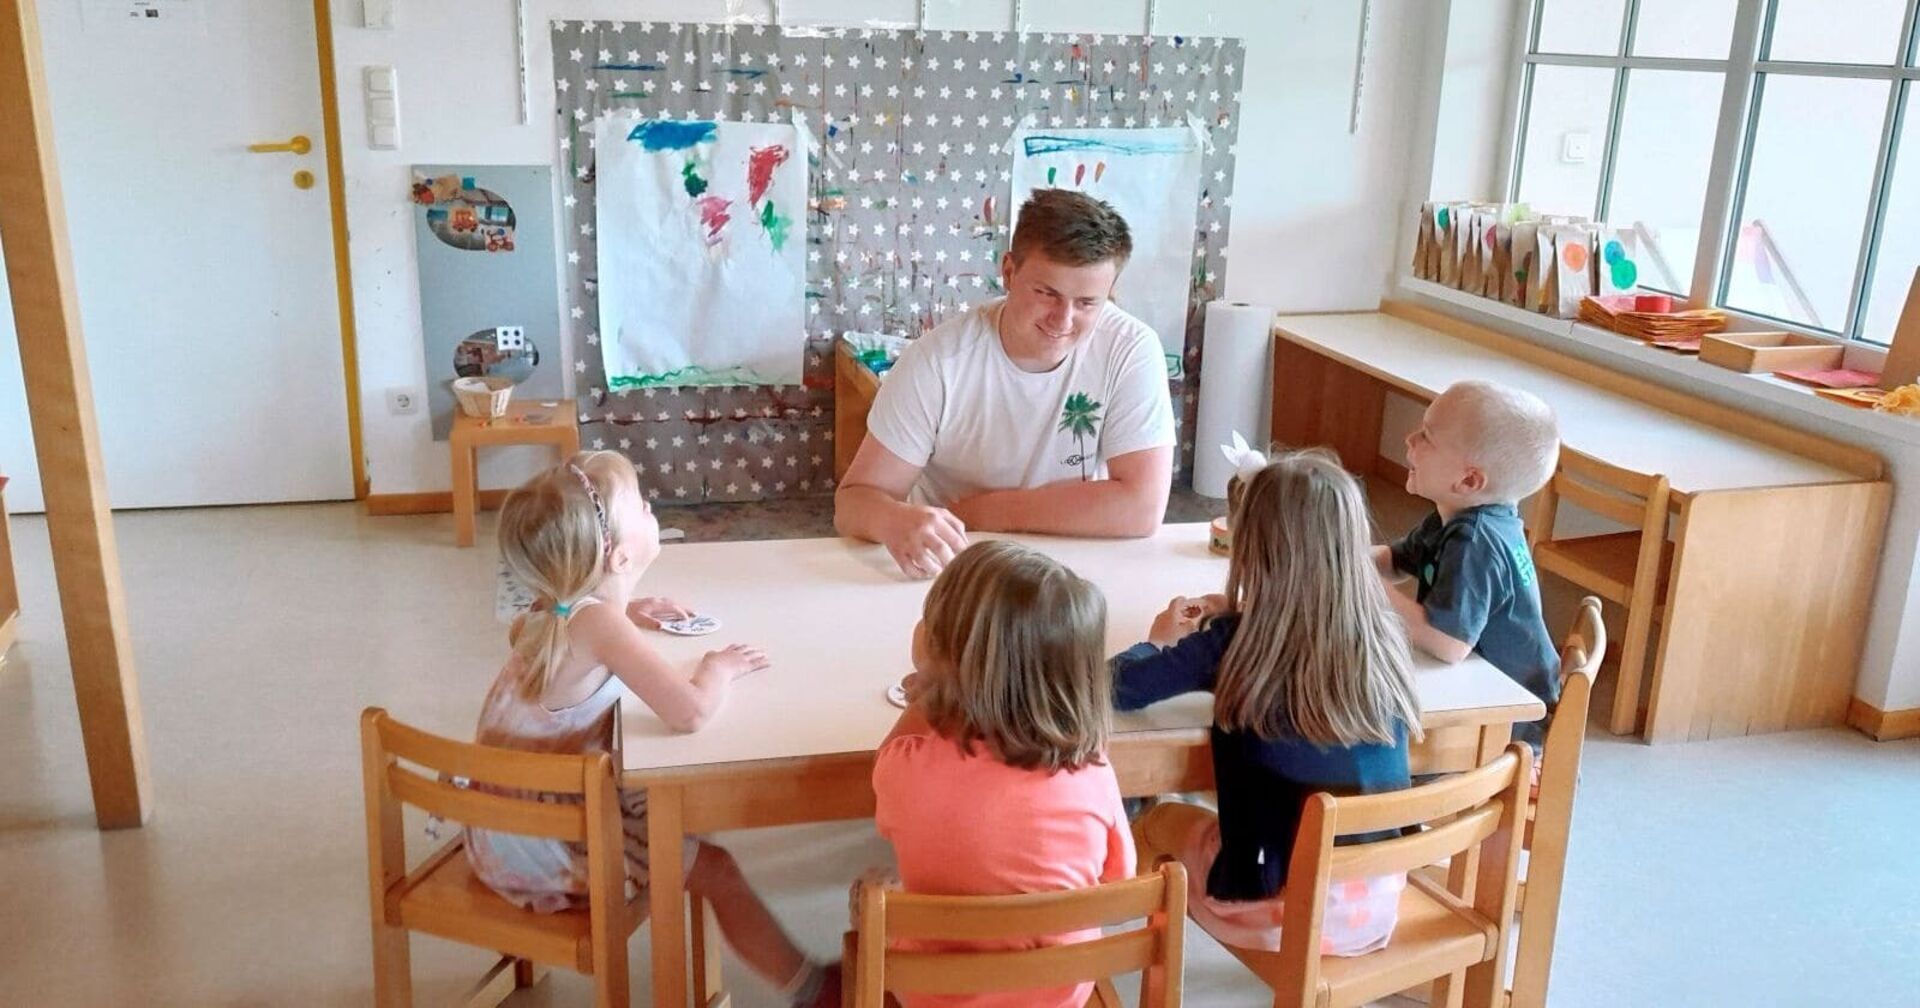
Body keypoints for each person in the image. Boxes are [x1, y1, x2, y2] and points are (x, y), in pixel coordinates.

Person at [469, 450, 838, 1007]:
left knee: (680, 819)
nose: (650, 505)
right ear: (617, 558)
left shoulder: (558, 606)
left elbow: (547, 629)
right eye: (639, 504)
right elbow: (688, 712)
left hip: (498, 825)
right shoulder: (597, 622)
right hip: (549, 843)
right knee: (718, 869)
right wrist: (718, 667)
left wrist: (626, 611)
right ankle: (814, 990)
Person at [1112, 451, 1423, 954]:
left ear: (1252, 550)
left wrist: (1158, 642)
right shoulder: (1381, 637)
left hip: (1278, 907)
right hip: (1373, 903)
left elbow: (1121, 687)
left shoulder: (1234, 642)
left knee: (1155, 819)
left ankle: (1143, 967)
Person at [835, 188, 1177, 578]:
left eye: (1087, 303)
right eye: (1047, 293)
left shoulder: (1131, 348)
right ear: (1009, 272)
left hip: (1074, 570)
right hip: (957, 567)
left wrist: (979, 511)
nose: (1062, 321)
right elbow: (852, 503)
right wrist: (894, 520)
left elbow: (1142, 507)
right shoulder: (936, 362)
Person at [872, 541, 1134, 1008]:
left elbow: (888, 762)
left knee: (870, 897)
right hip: (1058, 995)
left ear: (935, 649)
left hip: (935, 996)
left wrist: (929, 697)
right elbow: (1119, 876)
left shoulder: (907, 767)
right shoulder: (1092, 770)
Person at [1373, 379, 1561, 748]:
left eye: (1426, 436)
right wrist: (1333, 554)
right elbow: (1395, 561)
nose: (1410, 440)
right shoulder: (1458, 515)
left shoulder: (1476, 542)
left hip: (1508, 724)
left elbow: (1448, 644)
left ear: (1469, 480)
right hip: (1485, 691)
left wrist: (1370, 589)